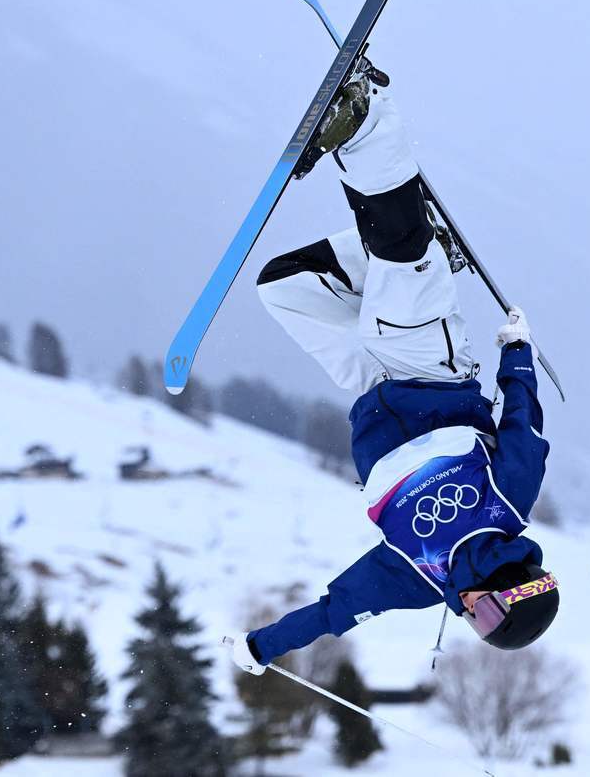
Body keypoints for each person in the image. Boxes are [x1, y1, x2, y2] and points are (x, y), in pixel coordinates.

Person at [228, 62, 559, 676]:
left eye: (479, 627)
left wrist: (262, 646)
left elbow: (335, 611)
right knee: (400, 254)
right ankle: (366, 118)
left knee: (285, 287)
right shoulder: (509, 503)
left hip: (371, 390)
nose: (470, 615)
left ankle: (414, 239)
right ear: (514, 584)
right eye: (487, 615)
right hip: (434, 372)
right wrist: (518, 352)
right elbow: (525, 429)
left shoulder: (415, 578)